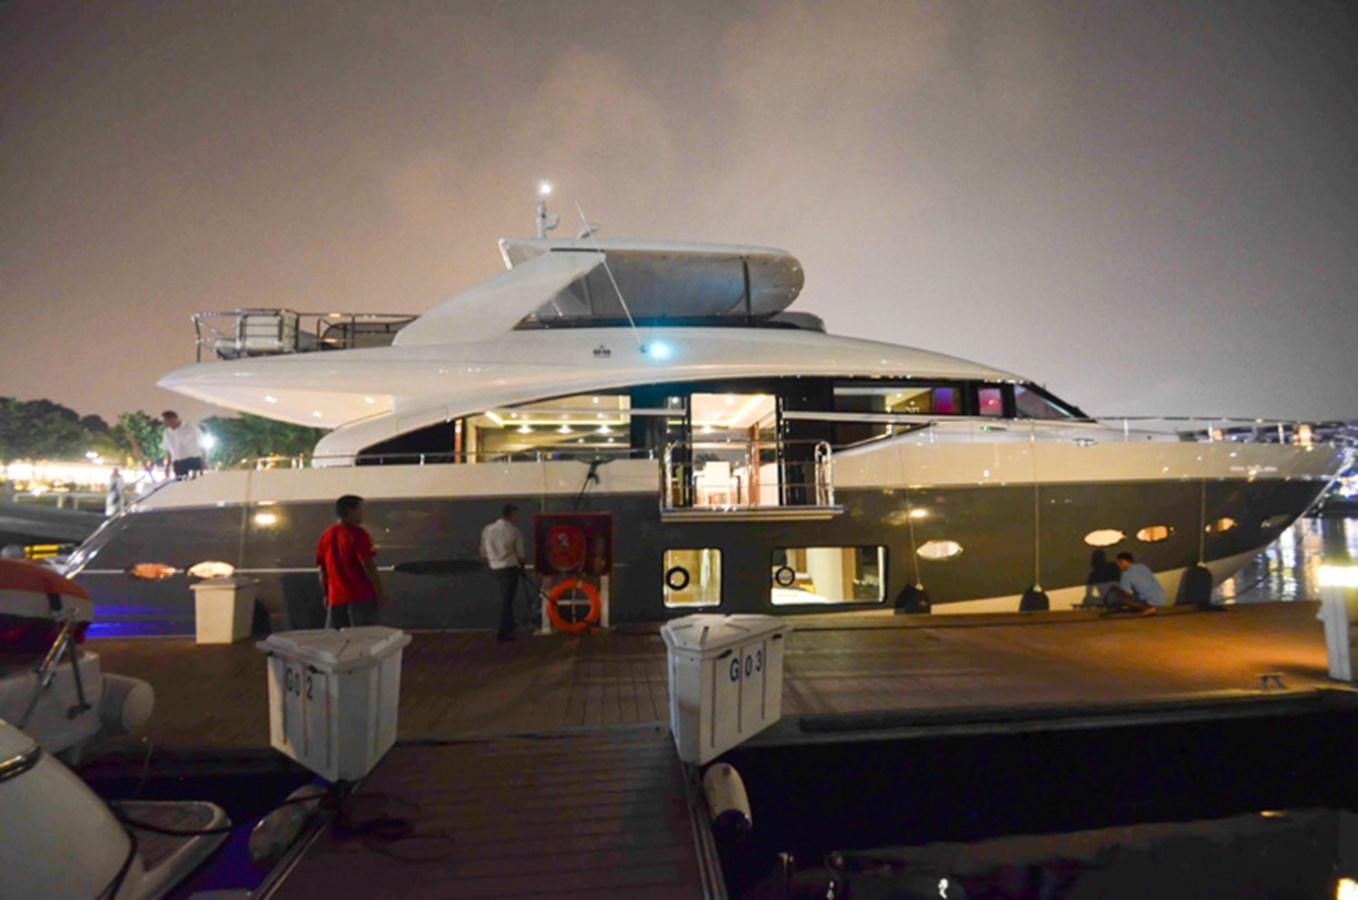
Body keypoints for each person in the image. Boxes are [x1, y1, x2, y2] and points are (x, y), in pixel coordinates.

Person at [316, 494, 385, 629]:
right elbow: (368, 565)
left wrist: (326, 595)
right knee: (364, 639)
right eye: (360, 509)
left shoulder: (326, 535)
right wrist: (380, 591)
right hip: (360, 596)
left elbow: (322, 571)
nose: (362, 514)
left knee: (336, 641)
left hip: (335, 598)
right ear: (350, 511)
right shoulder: (358, 534)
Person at [481, 503, 527, 642]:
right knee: (507, 601)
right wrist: (522, 567)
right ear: (511, 515)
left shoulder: (487, 529)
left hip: (494, 567)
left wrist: (488, 565)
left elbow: (483, 551)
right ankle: (503, 632)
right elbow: (520, 554)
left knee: (505, 598)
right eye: (515, 515)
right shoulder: (514, 531)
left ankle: (511, 626)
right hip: (510, 567)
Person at [160, 411, 205, 479]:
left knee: (194, 485)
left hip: (192, 461)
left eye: (167, 421)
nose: (166, 424)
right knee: (181, 485)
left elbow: (202, 447)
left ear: (174, 419)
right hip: (178, 463)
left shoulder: (191, 428)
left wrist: (203, 462)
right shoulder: (166, 433)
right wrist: (167, 466)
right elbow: (169, 451)